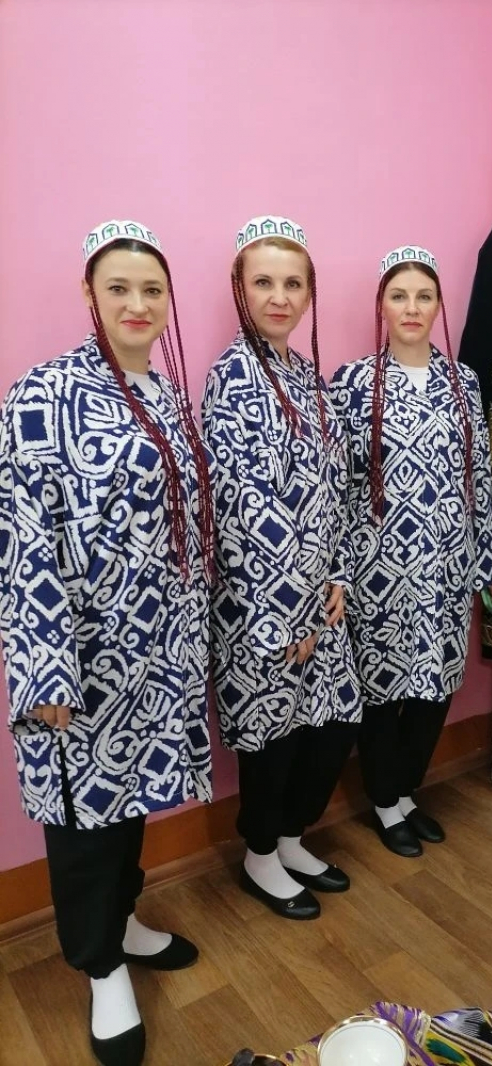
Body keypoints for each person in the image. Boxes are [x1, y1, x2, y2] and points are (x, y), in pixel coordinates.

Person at [0, 220, 215, 1066]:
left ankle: (123, 919)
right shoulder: (42, 394)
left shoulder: (165, 393)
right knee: (85, 815)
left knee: (130, 798)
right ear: (88, 294)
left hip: (157, 649)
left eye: (151, 289)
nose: (137, 303)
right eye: (118, 287)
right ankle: (100, 967)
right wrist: (44, 665)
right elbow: (22, 539)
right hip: (81, 654)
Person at [202, 215, 361, 921]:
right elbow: (240, 508)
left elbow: (335, 487)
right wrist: (285, 615)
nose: (279, 296)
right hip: (262, 606)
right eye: (263, 281)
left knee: (330, 725)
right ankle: (260, 853)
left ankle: (292, 836)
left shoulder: (309, 377)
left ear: (308, 293)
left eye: (292, 283)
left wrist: (338, 577)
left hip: (319, 600)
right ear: (240, 288)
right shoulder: (232, 378)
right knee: (272, 735)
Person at [329, 246, 492, 857]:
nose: (411, 307)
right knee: (382, 690)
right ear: (382, 305)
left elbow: (478, 475)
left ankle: (405, 792)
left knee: (435, 685)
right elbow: (338, 482)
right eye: (399, 295)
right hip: (377, 567)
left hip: (448, 563)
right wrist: (339, 569)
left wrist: (485, 559)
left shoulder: (463, 383)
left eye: (424, 296)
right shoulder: (352, 383)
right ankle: (384, 801)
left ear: (438, 306)